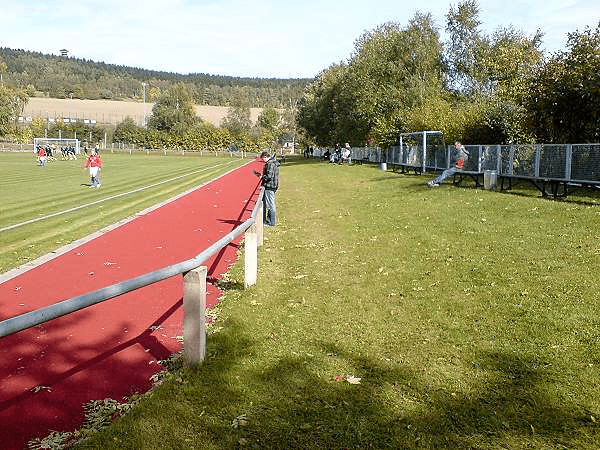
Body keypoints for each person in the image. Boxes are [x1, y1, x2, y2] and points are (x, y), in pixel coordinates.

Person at [254, 150, 280, 226]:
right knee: (269, 204)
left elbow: (269, 176)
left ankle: (271, 222)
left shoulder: (270, 164)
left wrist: (262, 177)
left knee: (270, 204)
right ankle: (268, 221)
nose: (263, 161)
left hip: (270, 186)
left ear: (266, 157)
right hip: (272, 185)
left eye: (263, 159)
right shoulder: (273, 163)